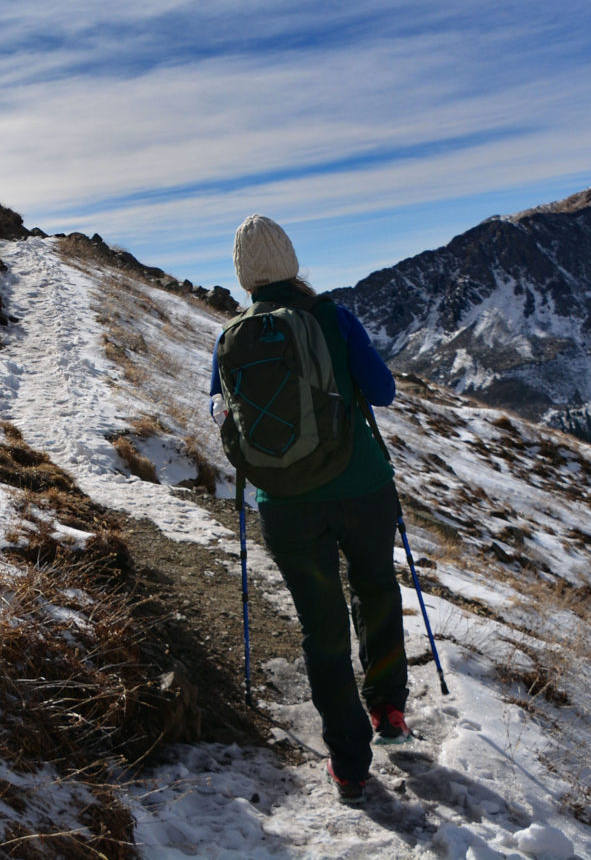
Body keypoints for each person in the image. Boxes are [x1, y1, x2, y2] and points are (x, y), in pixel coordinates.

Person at [211, 213, 406, 803]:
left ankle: (348, 764)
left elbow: (222, 414)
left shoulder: (229, 336)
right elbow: (383, 393)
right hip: (363, 488)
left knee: (321, 628)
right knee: (375, 589)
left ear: (244, 276)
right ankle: (388, 710)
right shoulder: (334, 317)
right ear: (292, 262)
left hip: (286, 504)